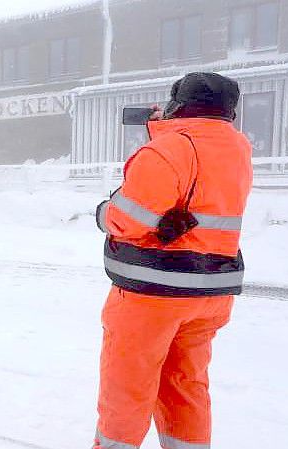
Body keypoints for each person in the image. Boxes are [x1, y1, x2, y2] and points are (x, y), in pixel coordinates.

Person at [92, 72, 253, 449]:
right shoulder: (238, 148)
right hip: (211, 295)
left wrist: (103, 212)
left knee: (127, 387)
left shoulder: (167, 150)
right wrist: (161, 127)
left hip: (154, 295)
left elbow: (128, 220)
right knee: (185, 385)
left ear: (177, 104)